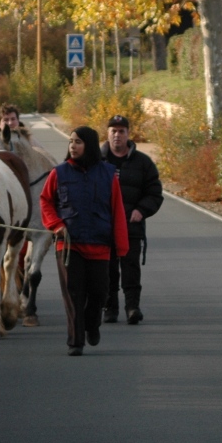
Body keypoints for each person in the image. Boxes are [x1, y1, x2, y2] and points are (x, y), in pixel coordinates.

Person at [40, 126, 129, 356]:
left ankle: (92, 324)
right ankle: (75, 341)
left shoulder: (108, 174)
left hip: (100, 244)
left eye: (78, 142)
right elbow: (46, 201)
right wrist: (56, 225)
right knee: (73, 294)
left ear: (88, 145)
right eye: (71, 141)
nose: (73, 146)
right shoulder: (58, 173)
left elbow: (117, 209)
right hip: (69, 245)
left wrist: (121, 246)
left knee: (100, 293)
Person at [101, 114, 164, 325]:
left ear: (128, 134)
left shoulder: (142, 162)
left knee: (130, 268)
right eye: (113, 131)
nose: (117, 135)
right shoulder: (97, 161)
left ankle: (132, 307)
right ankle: (109, 308)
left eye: (121, 131)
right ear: (107, 134)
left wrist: (141, 210)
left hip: (131, 225)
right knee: (107, 268)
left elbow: (154, 192)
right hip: (103, 225)